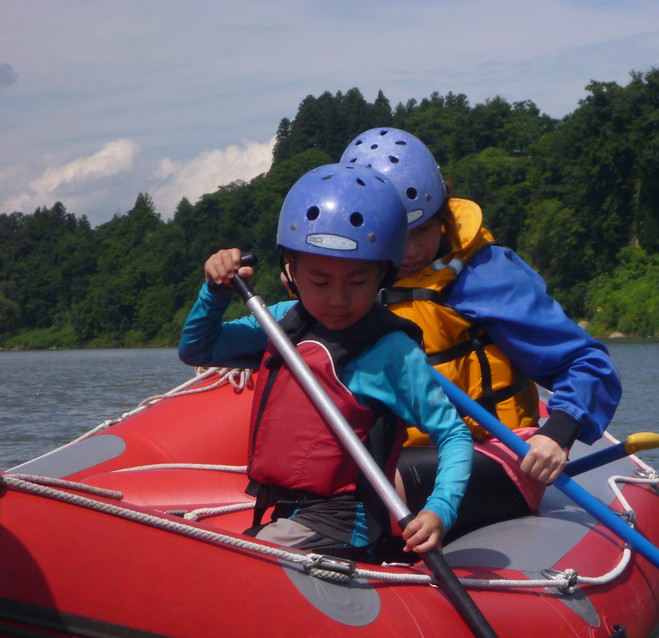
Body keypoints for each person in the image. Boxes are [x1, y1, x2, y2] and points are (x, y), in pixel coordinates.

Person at [178, 163, 473, 560]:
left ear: (382, 274)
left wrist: (440, 510)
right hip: (281, 514)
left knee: (224, 565)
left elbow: (453, 435)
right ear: (292, 270)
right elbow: (198, 348)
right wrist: (214, 291)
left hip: (339, 524)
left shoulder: (393, 353)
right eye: (320, 282)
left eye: (357, 282)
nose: (338, 299)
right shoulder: (281, 320)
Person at [340, 128, 621, 536]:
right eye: (398, 236)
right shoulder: (352, 279)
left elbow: (587, 362)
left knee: (366, 489)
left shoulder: (486, 275)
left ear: (442, 212)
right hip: (396, 452)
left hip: (495, 456)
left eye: (423, 230)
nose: (412, 250)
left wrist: (557, 434)